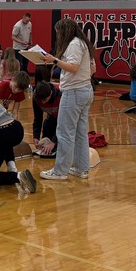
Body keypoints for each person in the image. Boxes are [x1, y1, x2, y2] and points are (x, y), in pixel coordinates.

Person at [38, 18, 96, 180]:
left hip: (74, 93)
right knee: (80, 132)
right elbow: (92, 69)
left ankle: (60, 171)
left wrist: (54, 60)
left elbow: (74, 67)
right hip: (85, 90)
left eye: (58, 32)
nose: (58, 36)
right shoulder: (84, 43)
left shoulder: (73, 45)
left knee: (64, 132)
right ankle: (81, 168)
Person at [32, 80, 62, 159]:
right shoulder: (36, 98)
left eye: (45, 100)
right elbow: (38, 118)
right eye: (41, 100)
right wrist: (36, 136)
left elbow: (64, 123)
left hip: (66, 121)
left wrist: (53, 142)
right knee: (47, 124)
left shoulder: (61, 96)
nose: (43, 103)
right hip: (52, 119)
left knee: (57, 144)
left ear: (51, 93)